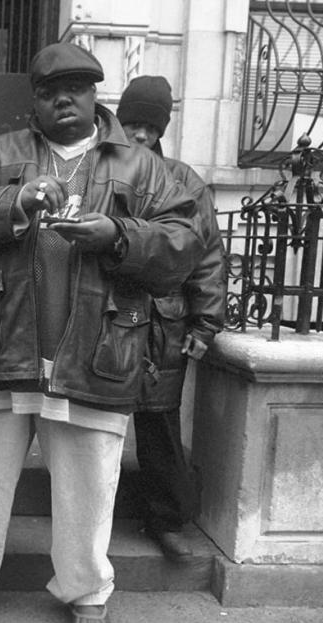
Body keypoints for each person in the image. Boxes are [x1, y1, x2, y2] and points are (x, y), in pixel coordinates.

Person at [0, 42, 205, 623]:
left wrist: (117, 235)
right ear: (35, 100)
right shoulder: (1, 154)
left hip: (98, 349)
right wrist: (15, 201)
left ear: (95, 94)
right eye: (51, 91)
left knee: (89, 481)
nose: (63, 99)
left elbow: (184, 244)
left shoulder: (143, 166)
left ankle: (87, 592)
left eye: (76, 88)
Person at [115, 75, 226, 559]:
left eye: (149, 126)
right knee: (86, 423)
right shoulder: (101, 171)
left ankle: (165, 519)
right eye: (131, 123)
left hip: (163, 320)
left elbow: (207, 256)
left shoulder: (184, 181)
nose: (139, 135)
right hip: (106, 312)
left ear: (162, 129)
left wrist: (206, 323)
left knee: (158, 422)